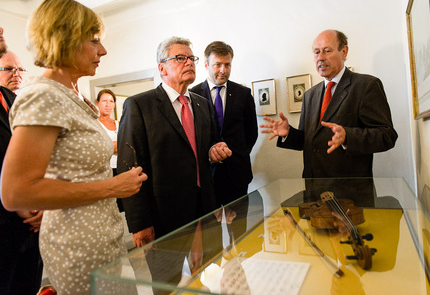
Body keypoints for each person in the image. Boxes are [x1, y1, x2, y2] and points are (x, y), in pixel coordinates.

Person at [1, 0, 147, 295]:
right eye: (94, 40)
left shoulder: (73, 96)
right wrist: (113, 187)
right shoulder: (43, 95)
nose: (103, 50)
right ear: (64, 39)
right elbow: (16, 192)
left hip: (103, 239)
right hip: (78, 247)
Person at [118, 36, 232, 248]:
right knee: (167, 280)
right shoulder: (140, 105)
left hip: (206, 208)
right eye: (180, 58)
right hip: (164, 215)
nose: (189, 62)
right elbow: (129, 168)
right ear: (162, 68)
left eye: (192, 58)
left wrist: (216, 149)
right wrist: (139, 223)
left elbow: (210, 144)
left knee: (209, 273)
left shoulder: (202, 104)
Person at [261, 29, 398, 178]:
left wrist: (347, 136)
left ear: (344, 51)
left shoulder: (366, 85)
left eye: (327, 51)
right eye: (316, 52)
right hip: (313, 190)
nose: (320, 57)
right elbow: (308, 141)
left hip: (351, 192)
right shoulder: (309, 95)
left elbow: (387, 136)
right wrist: (289, 133)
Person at [0, 27, 43, 295]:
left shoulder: (14, 101)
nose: (16, 74)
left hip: (30, 231)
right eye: (8, 69)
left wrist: (42, 203)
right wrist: (19, 203)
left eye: (20, 69)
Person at [191, 41, 258, 206]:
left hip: (237, 173)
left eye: (227, 65)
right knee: (210, 229)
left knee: (239, 229)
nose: (223, 70)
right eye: (218, 64)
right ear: (206, 65)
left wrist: (237, 154)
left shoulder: (243, 94)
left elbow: (251, 132)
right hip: (207, 175)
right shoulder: (193, 95)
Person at [96, 89, 124, 211]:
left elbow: (127, 145)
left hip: (121, 168)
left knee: (123, 205)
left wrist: (111, 146)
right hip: (105, 170)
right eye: (104, 101)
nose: (108, 104)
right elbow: (97, 148)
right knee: (109, 205)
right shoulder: (94, 124)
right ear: (97, 103)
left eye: (111, 101)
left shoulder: (119, 123)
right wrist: (113, 146)